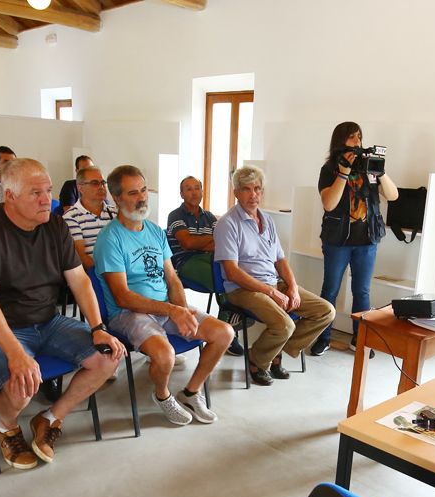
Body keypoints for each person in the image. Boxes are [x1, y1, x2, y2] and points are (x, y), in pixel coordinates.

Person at [0, 158, 124, 470]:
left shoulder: (55, 224)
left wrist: (98, 327)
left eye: (48, 191)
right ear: (9, 196)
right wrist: (15, 353)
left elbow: (79, 281)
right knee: (25, 380)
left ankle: (50, 417)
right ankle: (7, 426)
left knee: (108, 357)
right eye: (35, 193)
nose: (46, 199)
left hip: (47, 320)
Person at [95, 165, 234, 425]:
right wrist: (173, 311)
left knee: (224, 332)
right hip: (128, 314)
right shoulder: (110, 239)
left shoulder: (155, 232)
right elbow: (123, 297)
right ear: (117, 198)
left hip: (165, 307)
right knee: (165, 354)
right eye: (133, 192)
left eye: (144, 190)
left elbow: (172, 278)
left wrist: (182, 310)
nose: (142, 197)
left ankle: (191, 392)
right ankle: (162, 395)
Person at [214, 166, 335, 386]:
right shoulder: (227, 224)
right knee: (285, 325)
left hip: (273, 283)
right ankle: (257, 360)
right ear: (236, 193)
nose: (253, 195)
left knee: (326, 311)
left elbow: (280, 260)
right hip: (242, 289)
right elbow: (232, 272)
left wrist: (293, 287)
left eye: (258, 189)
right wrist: (271, 292)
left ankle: (275, 351)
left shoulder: (267, 220)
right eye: (247, 189)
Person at [309, 122, 398, 356]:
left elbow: (393, 195)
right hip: (337, 240)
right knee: (330, 290)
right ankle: (323, 337)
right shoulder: (329, 169)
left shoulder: (368, 168)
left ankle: (360, 339)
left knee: (362, 292)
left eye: (359, 137)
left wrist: (381, 171)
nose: (357, 142)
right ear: (340, 141)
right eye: (351, 138)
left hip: (366, 240)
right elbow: (329, 203)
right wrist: (343, 172)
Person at [165, 175, 244, 356]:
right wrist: (210, 241)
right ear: (181, 194)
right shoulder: (175, 215)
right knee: (225, 278)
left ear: (202, 191)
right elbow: (188, 244)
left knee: (232, 271)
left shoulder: (208, 216)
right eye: (188, 189)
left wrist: (204, 242)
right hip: (185, 262)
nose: (194, 192)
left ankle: (229, 320)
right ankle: (229, 320)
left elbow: (223, 242)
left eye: (197, 188)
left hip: (211, 259)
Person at [61, 164, 117, 269]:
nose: (101, 187)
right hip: (96, 275)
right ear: (80, 188)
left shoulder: (115, 213)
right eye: (95, 183)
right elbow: (81, 257)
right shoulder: (71, 217)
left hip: (122, 269)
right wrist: (110, 274)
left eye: (103, 183)